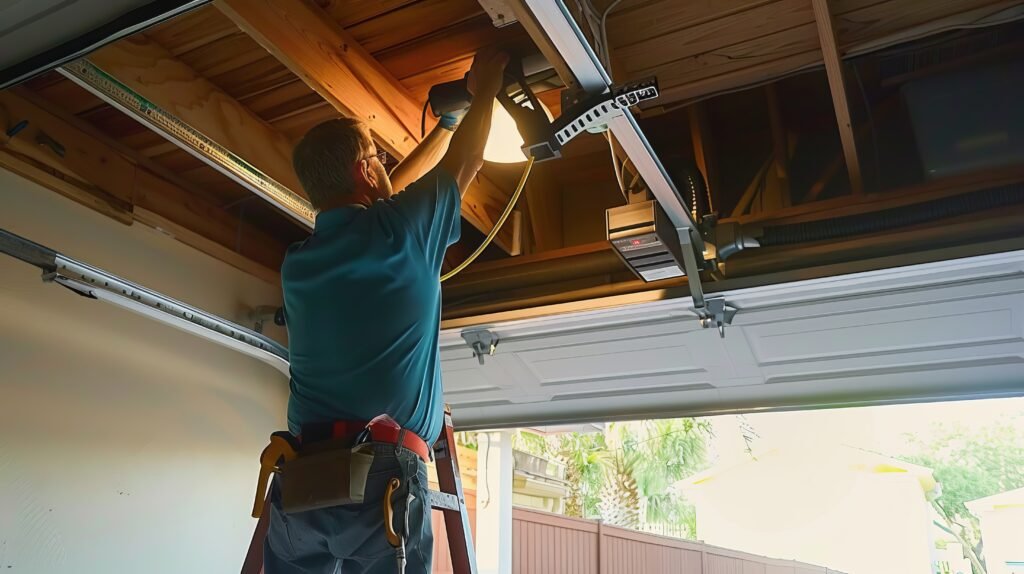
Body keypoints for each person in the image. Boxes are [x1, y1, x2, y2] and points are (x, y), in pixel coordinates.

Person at [263, 48, 510, 574]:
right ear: (365, 169)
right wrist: (487, 87)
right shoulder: (400, 231)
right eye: (376, 156)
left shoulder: (300, 263)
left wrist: (443, 125)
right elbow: (464, 165)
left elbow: (388, 194)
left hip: (306, 480)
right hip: (380, 478)